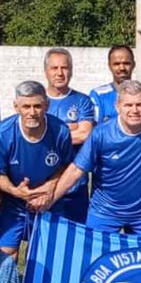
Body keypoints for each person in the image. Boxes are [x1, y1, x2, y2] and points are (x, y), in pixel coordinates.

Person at [51, 81, 141, 236]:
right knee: (93, 257)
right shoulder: (101, 134)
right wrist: (51, 198)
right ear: (117, 106)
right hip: (105, 211)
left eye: (139, 104)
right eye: (128, 105)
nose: (134, 110)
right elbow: (76, 169)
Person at [0, 81, 73, 261]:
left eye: (37, 106)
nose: (32, 112)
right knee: (6, 255)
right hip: (14, 205)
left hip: (50, 203)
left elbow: (66, 167)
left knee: (46, 256)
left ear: (47, 105)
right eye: (26, 106)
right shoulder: (2, 134)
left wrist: (49, 188)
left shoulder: (60, 131)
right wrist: (16, 191)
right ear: (16, 107)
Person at [44, 47, 96, 223]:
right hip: (43, 183)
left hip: (76, 186)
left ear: (71, 71)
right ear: (46, 71)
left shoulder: (82, 101)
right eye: (54, 68)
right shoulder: (37, 101)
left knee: (76, 240)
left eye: (64, 68)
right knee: (43, 239)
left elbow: (84, 134)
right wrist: (69, 128)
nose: (60, 73)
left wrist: (48, 133)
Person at [88, 45, 141, 123]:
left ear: (133, 65)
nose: (122, 68)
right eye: (116, 64)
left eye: (126, 63)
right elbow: (95, 128)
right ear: (109, 66)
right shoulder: (98, 95)